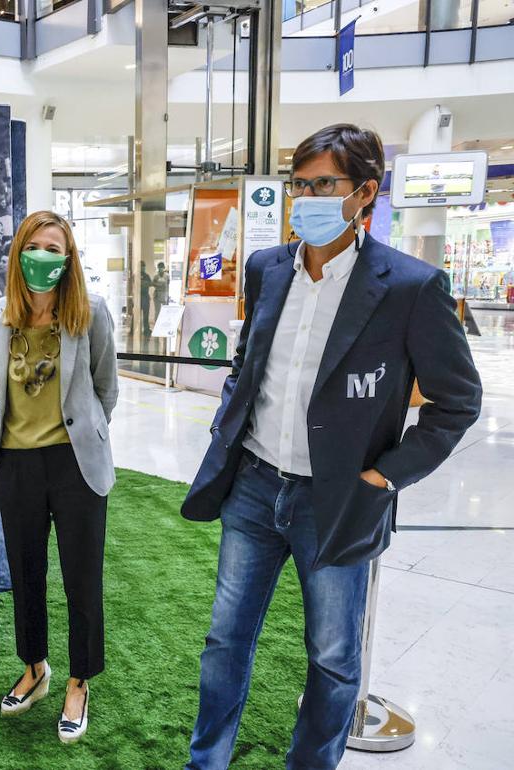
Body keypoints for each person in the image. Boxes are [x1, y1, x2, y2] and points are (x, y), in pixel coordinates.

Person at [181, 124, 483, 770]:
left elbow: (458, 401)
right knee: (225, 640)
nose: (307, 198)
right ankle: (206, 761)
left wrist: (384, 477)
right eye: (299, 184)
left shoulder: (410, 288)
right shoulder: (267, 269)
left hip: (341, 500)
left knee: (333, 658)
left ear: (365, 193)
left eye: (324, 185)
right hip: (254, 487)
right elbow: (247, 362)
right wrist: (227, 428)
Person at [0, 210, 118, 744]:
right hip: (16, 463)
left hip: (74, 464)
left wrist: (87, 435)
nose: (43, 257)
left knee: (82, 577)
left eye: (54, 249)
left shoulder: (91, 312)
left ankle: (79, 682)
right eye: (33, 246)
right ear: (19, 253)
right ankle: (35, 669)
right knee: (26, 572)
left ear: (68, 258)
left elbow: (106, 389)